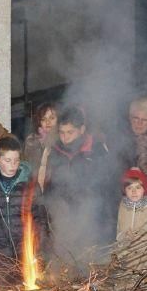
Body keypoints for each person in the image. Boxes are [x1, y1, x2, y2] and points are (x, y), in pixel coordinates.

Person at [38, 106, 111, 270]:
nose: (65, 138)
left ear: (82, 129)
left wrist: (104, 222)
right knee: (64, 267)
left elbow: (107, 188)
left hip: (90, 220)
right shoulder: (55, 151)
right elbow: (50, 186)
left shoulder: (96, 150)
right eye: (62, 133)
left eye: (70, 132)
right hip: (62, 220)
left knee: (87, 267)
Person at [0, 136, 47, 287]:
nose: (13, 165)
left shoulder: (30, 186)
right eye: (7, 160)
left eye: (16, 161)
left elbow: (40, 219)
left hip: (25, 251)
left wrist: (41, 248)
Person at [114, 167, 147, 280]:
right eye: (129, 188)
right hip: (129, 260)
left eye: (138, 187)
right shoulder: (123, 207)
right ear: (125, 190)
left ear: (144, 189)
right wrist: (125, 237)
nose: (134, 191)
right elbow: (119, 231)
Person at [23, 102, 57, 174]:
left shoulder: (64, 137)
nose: (48, 122)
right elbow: (29, 167)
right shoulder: (31, 141)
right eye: (43, 119)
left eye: (52, 118)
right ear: (39, 122)